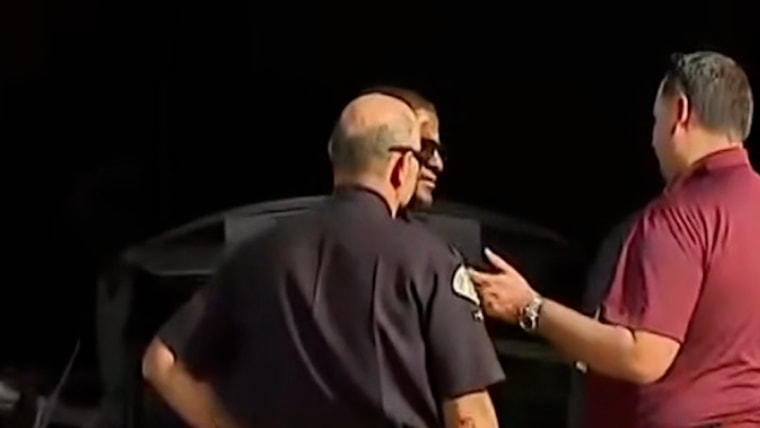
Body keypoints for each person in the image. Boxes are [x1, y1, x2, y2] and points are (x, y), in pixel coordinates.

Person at [144, 93, 504, 427]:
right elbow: (468, 416)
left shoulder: (255, 254)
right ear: (400, 166)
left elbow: (161, 362)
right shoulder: (432, 262)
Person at [469, 51, 760, 427]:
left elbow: (643, 355)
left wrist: (530, 308)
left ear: (680, 113)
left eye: (656, 120)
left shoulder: (679, 215)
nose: (653, 140)